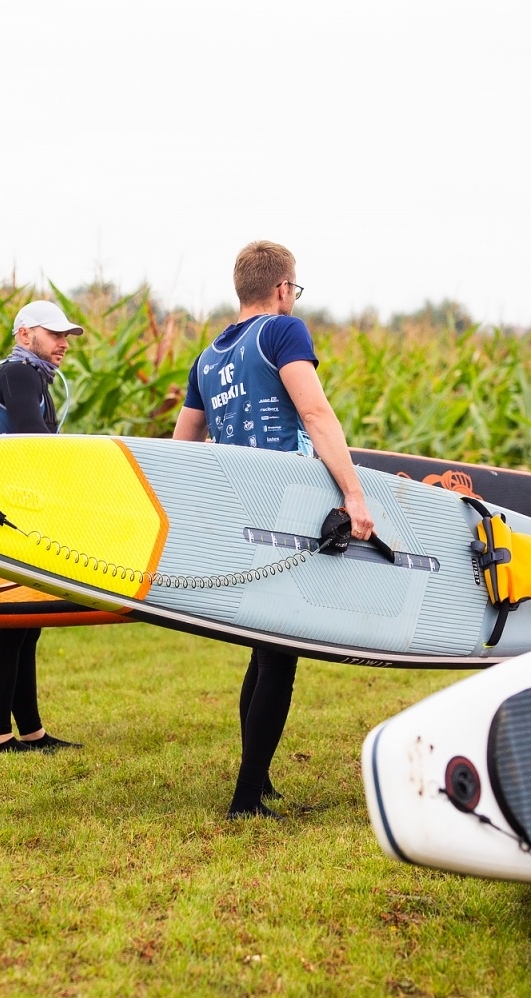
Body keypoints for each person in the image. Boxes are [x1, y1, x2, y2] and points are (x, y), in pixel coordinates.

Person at [172, 240, 375, 819]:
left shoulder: (207, 359)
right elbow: (314, 412)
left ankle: (256, 782)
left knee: (265, 650)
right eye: (295, 289)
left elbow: (182, 446)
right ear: (283, 289)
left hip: (240, 511)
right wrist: (354, 493)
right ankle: (245, 799)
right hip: (285, 504)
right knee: (280, 654)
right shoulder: (284, 332)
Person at [0, 299, 83, 753]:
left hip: (11, 511)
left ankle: (32, 732)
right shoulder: (20, 375)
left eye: (66, 336)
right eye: (54, 334)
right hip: (12, 515)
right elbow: (33, 441)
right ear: (25, 335)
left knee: (27, 623)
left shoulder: (22, 376)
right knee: (11, 624)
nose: (63, 343)